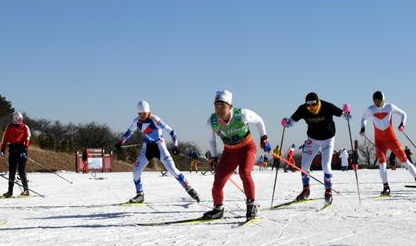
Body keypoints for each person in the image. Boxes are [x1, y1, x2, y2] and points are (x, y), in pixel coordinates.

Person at [203, 90, 270, 220]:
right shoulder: (212, 122)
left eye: (223, 106)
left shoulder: (242, 114)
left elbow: (259, 120)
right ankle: (218, 208)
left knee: (244, 172)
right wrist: (214, 157)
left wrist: (264, 138)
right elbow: (211, 140)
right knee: (218, 182)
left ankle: (251, 205)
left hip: (247, 148)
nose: (219, 110)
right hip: (229, 153)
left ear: (230, 106)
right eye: (216, 106)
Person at [115, 100, 199, 203]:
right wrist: (120, 142)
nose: (141, 116)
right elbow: (129, 132)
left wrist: (176, 146)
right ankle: (140, 195)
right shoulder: (136, 121)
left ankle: (189, 188)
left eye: (144, 113)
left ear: (148, 111)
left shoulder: (155, 120)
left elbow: (172, 131)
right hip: (147, 148)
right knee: (136, 171)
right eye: (139, 114)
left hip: (160, 147)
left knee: (173, 170)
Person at [281, 92, 351, 205]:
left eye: (313, 105)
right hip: (312, 139)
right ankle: (306, 190)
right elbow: (291, 122)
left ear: (318, 103)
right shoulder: (303, 109)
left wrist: (347, 113)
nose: (310, 108)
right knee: (304, 166)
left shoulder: (327, 106)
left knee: (325, 165)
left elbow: (344, 115)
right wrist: (286, 123)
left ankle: (328, 191)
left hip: (328, 139)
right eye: (308, 106)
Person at [360, 90, 416, 196]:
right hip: (379, 142)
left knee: (405, 161)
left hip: (392, 140)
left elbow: (403, 114)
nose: (377, 103)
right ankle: (386, 187)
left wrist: (402, 124)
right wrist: (363, 128)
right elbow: (364, 118)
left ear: (383, 100)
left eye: (379, 101)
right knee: (382, 164)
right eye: (375, 101)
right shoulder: (371, 109)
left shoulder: (389, 107)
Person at [0, 112, 31, 197]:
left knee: (21, 171)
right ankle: (10, 192)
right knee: (12, 172)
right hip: (13, 150)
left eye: (21, 119)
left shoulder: (25, 127)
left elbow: (27, 138)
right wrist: (2, 149)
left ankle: (26, 190)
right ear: (14, 119)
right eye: (18, 119)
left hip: (22, 150)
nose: (20, 121)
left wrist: (25, 147)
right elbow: (5, 139)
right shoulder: (9, 127)